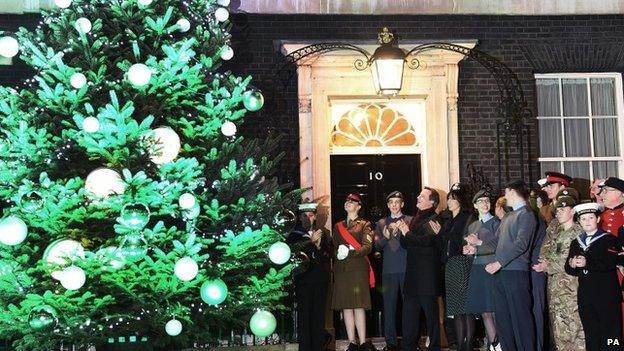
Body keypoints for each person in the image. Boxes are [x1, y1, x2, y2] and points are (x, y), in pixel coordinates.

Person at [485, 180, 536, 351]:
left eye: (506, 193)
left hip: (515, 273)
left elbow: (521, 245)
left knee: (521, 319)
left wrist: (499, 263)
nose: (505, 197)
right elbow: (497, 242)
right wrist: (476, 245)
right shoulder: (508, 216)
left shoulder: (527, 214)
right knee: (503, 320)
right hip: (501, 273)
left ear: (512, 192)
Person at [532, 189, 585, 350]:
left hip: (571, 290)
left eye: (563, 209)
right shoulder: (557, 232)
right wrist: (546, 263)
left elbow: (570, 260)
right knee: (559, 330)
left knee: (575, 329)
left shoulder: (578, 232)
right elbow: (546, 252)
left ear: (573, 211)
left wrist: (548, 266)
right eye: (558, 209)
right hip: (556, 289)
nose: (559, 212)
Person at [565, 202, 622, 351]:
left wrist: (587, 262)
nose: (587, 222)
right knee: (591, 333)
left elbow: (609, 263)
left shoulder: (608, 239)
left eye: (591, 218)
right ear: (579, 222)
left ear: (598, 219)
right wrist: (571, 265)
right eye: (583, 219)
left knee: (611, 334)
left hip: (606, 295)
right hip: (586, 296)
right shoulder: (576, 242)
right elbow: (569, 269)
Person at [332, 193, 376, 351]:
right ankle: (352, 342)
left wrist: (350, 251)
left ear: (359, 206)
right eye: (347, 201)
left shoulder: (365, 224)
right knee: (346, 307)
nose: (348, 203)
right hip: (343, 271)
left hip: (358, 270)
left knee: (358, 306)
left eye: (352, 202)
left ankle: (363, 342)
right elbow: (334, 248)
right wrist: (337, 253)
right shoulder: (338, 226)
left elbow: (367, 246)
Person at [400, 187, 442, 351]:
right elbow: (406, 244)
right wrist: (403, 233)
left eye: (422, 196)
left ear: (432, 201)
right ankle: (409, 346)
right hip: (412, 276)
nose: (418, 197)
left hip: (426, 277)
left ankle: (435, 347)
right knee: (409, 316)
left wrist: (407, 233)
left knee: (431, 317)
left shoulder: (435, 219)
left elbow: (426, 241)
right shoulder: (416, 219)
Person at [287, 202, 333, 351]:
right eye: (304, 216)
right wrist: (310, 243)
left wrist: (319, 247)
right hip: (303, 281)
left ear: (315, 217)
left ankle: (318, 346)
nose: (308, 218)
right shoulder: (294, 235)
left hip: (320, 281)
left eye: (311, 215)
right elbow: (294, 256)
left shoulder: (323, 233)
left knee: (319, 316)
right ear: (300, 218)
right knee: (304, 317)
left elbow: (328, 255)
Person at [434, 183, 474, 351]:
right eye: (448, 198)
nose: (449, 201)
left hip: (462, 263)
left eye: (452, 198)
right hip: (450, 265)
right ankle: (459, 344)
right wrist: (439, 234)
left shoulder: (467, 217)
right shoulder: (448, 220)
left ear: (460, 200)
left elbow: (467, 240)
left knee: (465, 307)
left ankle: (468, 344)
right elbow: (443, 244)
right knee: (455, 308)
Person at [463, 189, 501, 351]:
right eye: (481, 202)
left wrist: (478, 244)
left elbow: (500, 247)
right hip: (478, 269)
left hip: (492, 269)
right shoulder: (473, 225)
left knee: (494, 310)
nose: (485, 204)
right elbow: (475, 249)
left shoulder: (497, 223)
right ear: (475, 205)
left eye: (487, 201)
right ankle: (494, 344)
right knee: (485, 311)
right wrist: (470, 251)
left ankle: (500, 343)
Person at [374, 191, 410, 351]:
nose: (394, 205)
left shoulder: (410, 220)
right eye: (391, 202)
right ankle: (391, 342)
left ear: (402, 204)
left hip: (407, 269)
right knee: (389, 307)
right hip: (388, 271)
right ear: (388, 205)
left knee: (409, 307)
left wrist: (404, 231)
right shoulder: (381, 223)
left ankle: (410, 341)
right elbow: (377, 246)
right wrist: (386, 237)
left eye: (397, 202)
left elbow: (414, 243)